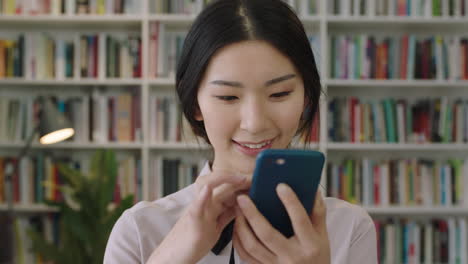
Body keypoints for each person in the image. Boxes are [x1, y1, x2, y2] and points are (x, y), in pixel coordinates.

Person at [104, 0, 378, 263]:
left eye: (279, 93)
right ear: (195, 103)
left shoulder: (349, 228)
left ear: (306, 97)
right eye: (227, 97)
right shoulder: (139, 231)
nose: (255, 123)